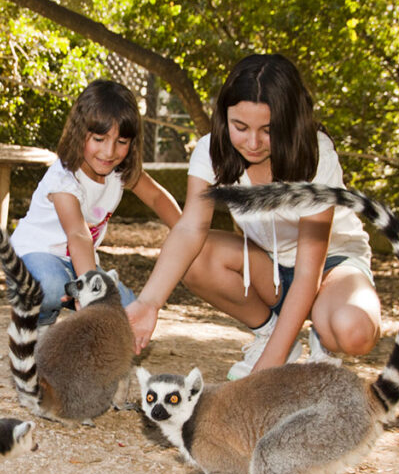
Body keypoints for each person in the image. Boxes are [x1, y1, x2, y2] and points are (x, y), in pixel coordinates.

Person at [126, 54, 381, 380]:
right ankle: (273, 336)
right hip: (269, 266)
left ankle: (321, 338)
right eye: (240, 127)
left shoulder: (316, 155)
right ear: (225, 117)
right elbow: (190, 228)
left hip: (332, 266)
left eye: (268, 129)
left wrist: (261, 380)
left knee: (352, 331)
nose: (253, 142)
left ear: (290, 121)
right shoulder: (211, 151)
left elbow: (307, 274)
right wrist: (150, 303)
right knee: (195, 256)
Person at [9, 79, 181, 328]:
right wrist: (91, 295)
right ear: (80, 133)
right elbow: (78, 235)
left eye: (121, 142)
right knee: (48, 285)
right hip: (34, 260)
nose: (109, 152)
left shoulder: (120, 172)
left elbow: (157, 197)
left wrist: (187, 231)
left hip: (79, 266)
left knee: (129, 314)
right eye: (99, 139)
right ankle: (37, 326)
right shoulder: (64, 178)